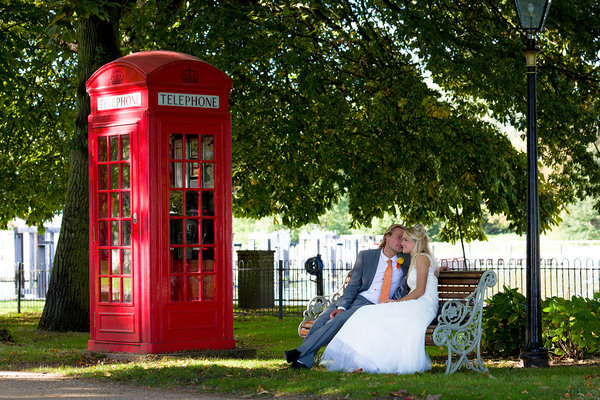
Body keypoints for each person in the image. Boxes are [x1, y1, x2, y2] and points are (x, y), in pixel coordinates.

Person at [284, 224, 412, 369]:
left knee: (339, 319)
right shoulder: (366, 256)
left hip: (373, 306)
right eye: (398, 237)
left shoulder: (407, 260)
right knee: (322, 319)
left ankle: (299, 352)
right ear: (387, 236)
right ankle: (303, 361)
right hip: (355, 298)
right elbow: (353, 285)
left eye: (404, 239)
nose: (401, 242)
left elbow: (424, 265)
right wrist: (342, 306)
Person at [320, 223, 439, 374]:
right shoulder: (417, 259)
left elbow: (421, 290)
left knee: (372, 314)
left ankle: (372, 360)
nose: (402, 243)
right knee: (367, 314)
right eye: (401, 239)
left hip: (423, 304)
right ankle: (365, 359)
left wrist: (397, 302)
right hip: (416, 302)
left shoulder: (422, 258)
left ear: (416, 242)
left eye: (406, 240)